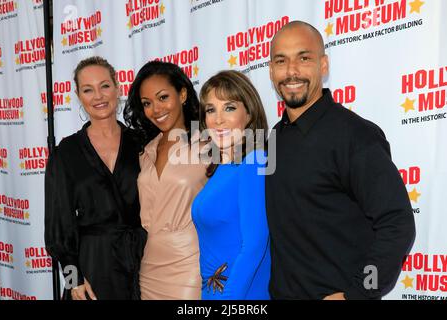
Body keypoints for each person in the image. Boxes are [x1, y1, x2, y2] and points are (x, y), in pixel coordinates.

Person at [265, 20, 416, 300]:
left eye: (304, 58)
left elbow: (397, 224)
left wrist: (358, 293)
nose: (292, 71)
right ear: (272, 71)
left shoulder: (356, 136)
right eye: (281, 61)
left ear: (324, 66)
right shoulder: (274, 139)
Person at [45, 56, 147, 300]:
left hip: (144, 263)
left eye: (104, 86)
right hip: (91, 269)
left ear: (117, 87)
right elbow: (57, 229)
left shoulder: (142, 142)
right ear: (79, 96)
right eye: (88, 90)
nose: (98, 96)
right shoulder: (66, 153)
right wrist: (73, 280)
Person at [123, 61, 206, 300]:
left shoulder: (207, 143)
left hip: (190, 264)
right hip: (150, 265)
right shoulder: (145, 150)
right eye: (147, 103)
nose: (155, 109)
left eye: (162, 97)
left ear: (182, 94)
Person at [191, 70, 271, 300]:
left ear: (249, 114)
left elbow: (254, 245)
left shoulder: (254, 162)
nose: (218, 120)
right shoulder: (219, 170)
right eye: (210, 110)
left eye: (229, 107)